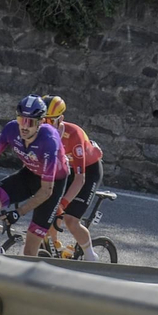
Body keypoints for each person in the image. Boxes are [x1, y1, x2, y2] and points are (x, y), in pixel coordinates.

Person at [0, 95, 68, 256]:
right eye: (21, 120)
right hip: (29, 174)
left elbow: (46, 191)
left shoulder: (49, 140)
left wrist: (19, 212)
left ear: (41, 122)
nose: (24, 126)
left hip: (52, 183)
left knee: (30, 249)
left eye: (30, 122)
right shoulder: (11, 129)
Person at [41, 94, 106, 261]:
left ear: (61, 119)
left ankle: (92, 258)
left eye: (50, 121)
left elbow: (80, 179)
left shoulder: (74, 134)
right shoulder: (41, 134)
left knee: (70, 219)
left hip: (87, 171)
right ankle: (55, 247)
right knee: (49, 207)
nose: (45, 126)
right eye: (42, 121)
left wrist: (63, 204)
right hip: (67, 168)